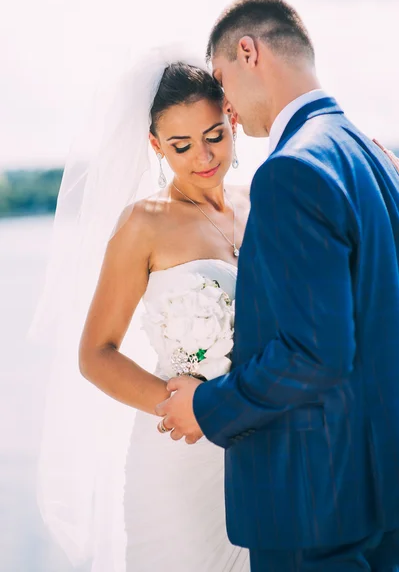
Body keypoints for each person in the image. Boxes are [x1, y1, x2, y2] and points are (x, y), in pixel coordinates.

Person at [156, 0, 399, 571]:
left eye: (222, 82)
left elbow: (315, 352)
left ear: (248, 51)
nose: (227, 110)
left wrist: (208, 405)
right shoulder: (377, 156)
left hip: (313, 505)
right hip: (379, 493)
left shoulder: (290, 170)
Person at [28, 49, 250, 571]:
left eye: (214, 134)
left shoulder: (258, 201)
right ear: (156, 146)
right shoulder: (143, 224)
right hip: (181, 455)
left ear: (231, 119)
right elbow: (95, 354)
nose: (203, 156)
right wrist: (177, 406)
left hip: (261, 448)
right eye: (181, 145)